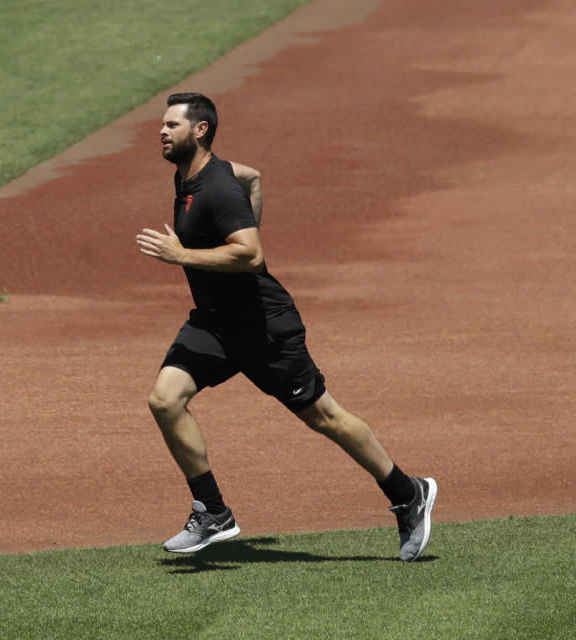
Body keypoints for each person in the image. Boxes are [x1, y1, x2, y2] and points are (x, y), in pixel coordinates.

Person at [135, 92, 437, 562]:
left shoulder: (215, 189)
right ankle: (213, 512)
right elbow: (253, 177)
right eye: (163, 123)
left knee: (325, 418)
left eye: (172, 124)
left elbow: (251, 254)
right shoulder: (197, 175)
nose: (162, 130)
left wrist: (184, 256)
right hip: (215, 325)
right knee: (164, 399)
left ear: (200, 131)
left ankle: (408, 493)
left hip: (263, 328)